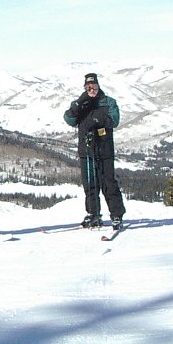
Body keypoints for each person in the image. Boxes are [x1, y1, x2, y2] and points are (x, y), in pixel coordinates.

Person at [63, 72, 125, 230]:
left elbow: (114, 120)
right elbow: (69, 119)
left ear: (98, 86)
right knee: (89, 184)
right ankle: (93, 214)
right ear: (85, 87)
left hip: (104, 149)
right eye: (88, 87)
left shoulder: (108, 102)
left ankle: (116, 215)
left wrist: (99, 120)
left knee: (109, 183)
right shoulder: (80, 103)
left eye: (94, 86)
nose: (91, 89)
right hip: (86, 150)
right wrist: (79, 103)